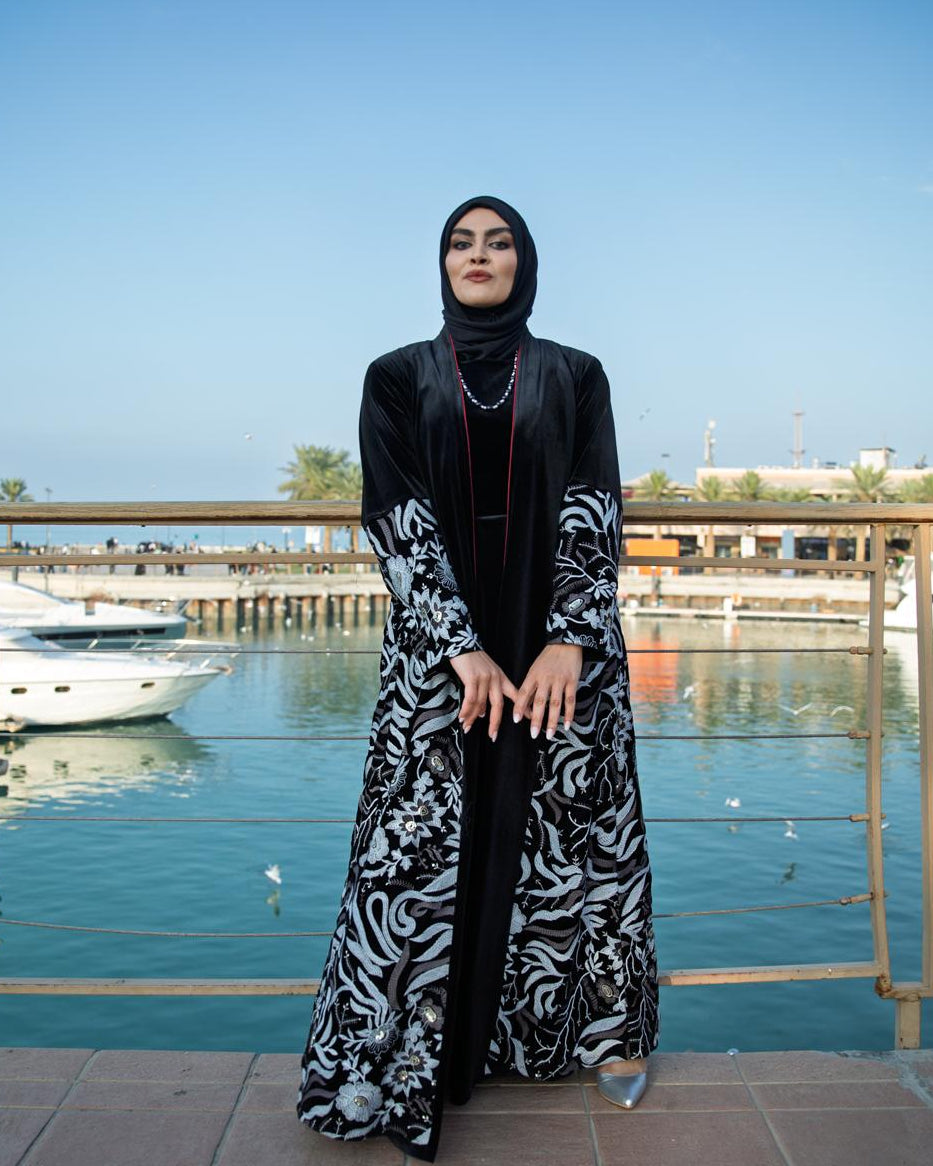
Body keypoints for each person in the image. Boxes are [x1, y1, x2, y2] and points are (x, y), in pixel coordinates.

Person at [297, 196, 659, 1161]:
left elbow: (593, 506)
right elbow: (396, 518)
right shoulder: (394, 377)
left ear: (525, 262)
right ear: (440, 262)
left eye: (498, 243)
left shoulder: (577, 376)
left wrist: (566, 641)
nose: (479, 256)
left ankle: (589, 1031)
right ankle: (398, 1056)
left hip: (560, 649)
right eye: (461, 242)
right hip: (440, 655)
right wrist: (463, 647)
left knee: (569, 838)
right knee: (413, 849)